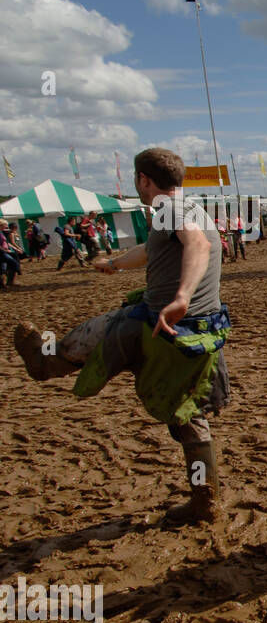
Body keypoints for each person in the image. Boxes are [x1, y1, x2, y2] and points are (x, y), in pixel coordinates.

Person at [13, 147, 232, 530]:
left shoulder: (171, 210)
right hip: (200, 332)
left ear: (144, 180)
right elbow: (151, 250)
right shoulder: (188, 208)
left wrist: (181, 297)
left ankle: (44, 362)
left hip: (162, 327)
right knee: (188, 416)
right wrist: (113, 264)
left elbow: (198, 245)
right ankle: (203, 501)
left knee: (97, 333)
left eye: (137, 180)